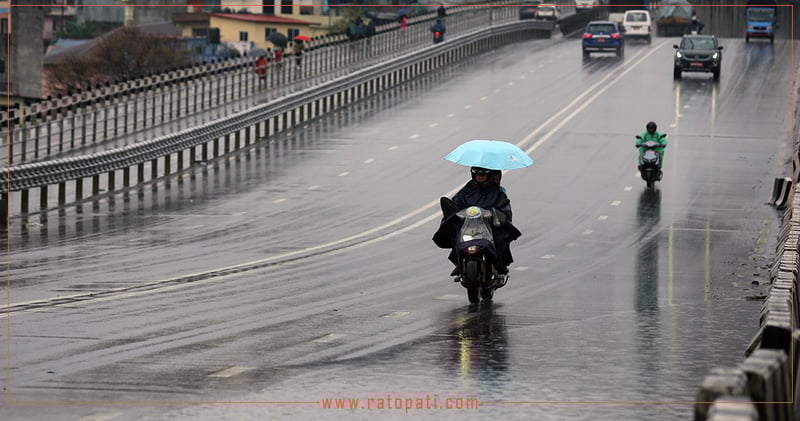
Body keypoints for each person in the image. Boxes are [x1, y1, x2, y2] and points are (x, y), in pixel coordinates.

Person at [433, 167, 522, 283]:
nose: (480, 177)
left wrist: (496, 214)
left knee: (500, 237)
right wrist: (454, 212)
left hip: (488, 225)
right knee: (455, 233)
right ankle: (458, 263)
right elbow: (456, 203)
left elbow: (504, 208)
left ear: (488, 176)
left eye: (483, 175)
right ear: (473, 175)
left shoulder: (497, 192)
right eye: (478, 175)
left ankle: (500, 265)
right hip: (469, 224)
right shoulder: (467, 190)